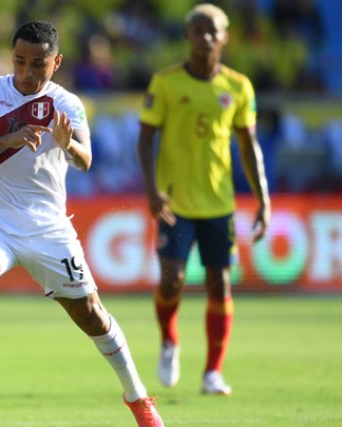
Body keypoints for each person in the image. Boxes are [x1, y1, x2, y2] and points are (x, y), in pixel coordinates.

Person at [0, 21, 164, 427]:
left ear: (57, 62)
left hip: (49, 228)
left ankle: (138, 398)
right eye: (20, 61)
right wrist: (8, 139)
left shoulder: (67, 104)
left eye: (38, 64)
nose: (26, 72)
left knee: (92, 314)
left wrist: (66, 140)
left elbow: (85, 160)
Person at [136, 4, 271, 396]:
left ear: (225, 37)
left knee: (220, 284)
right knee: (172, 278)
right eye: (198, 30)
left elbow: (249, 146)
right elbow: (145, 139)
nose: (206, 37)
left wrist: (263, 198)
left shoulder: (238, 87)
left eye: (213, 30)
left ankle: (213, 372)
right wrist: (150, 189)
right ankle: (168, 340)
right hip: (174, 203)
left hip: (218, 203)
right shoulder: (165, 83)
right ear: (187, 36)